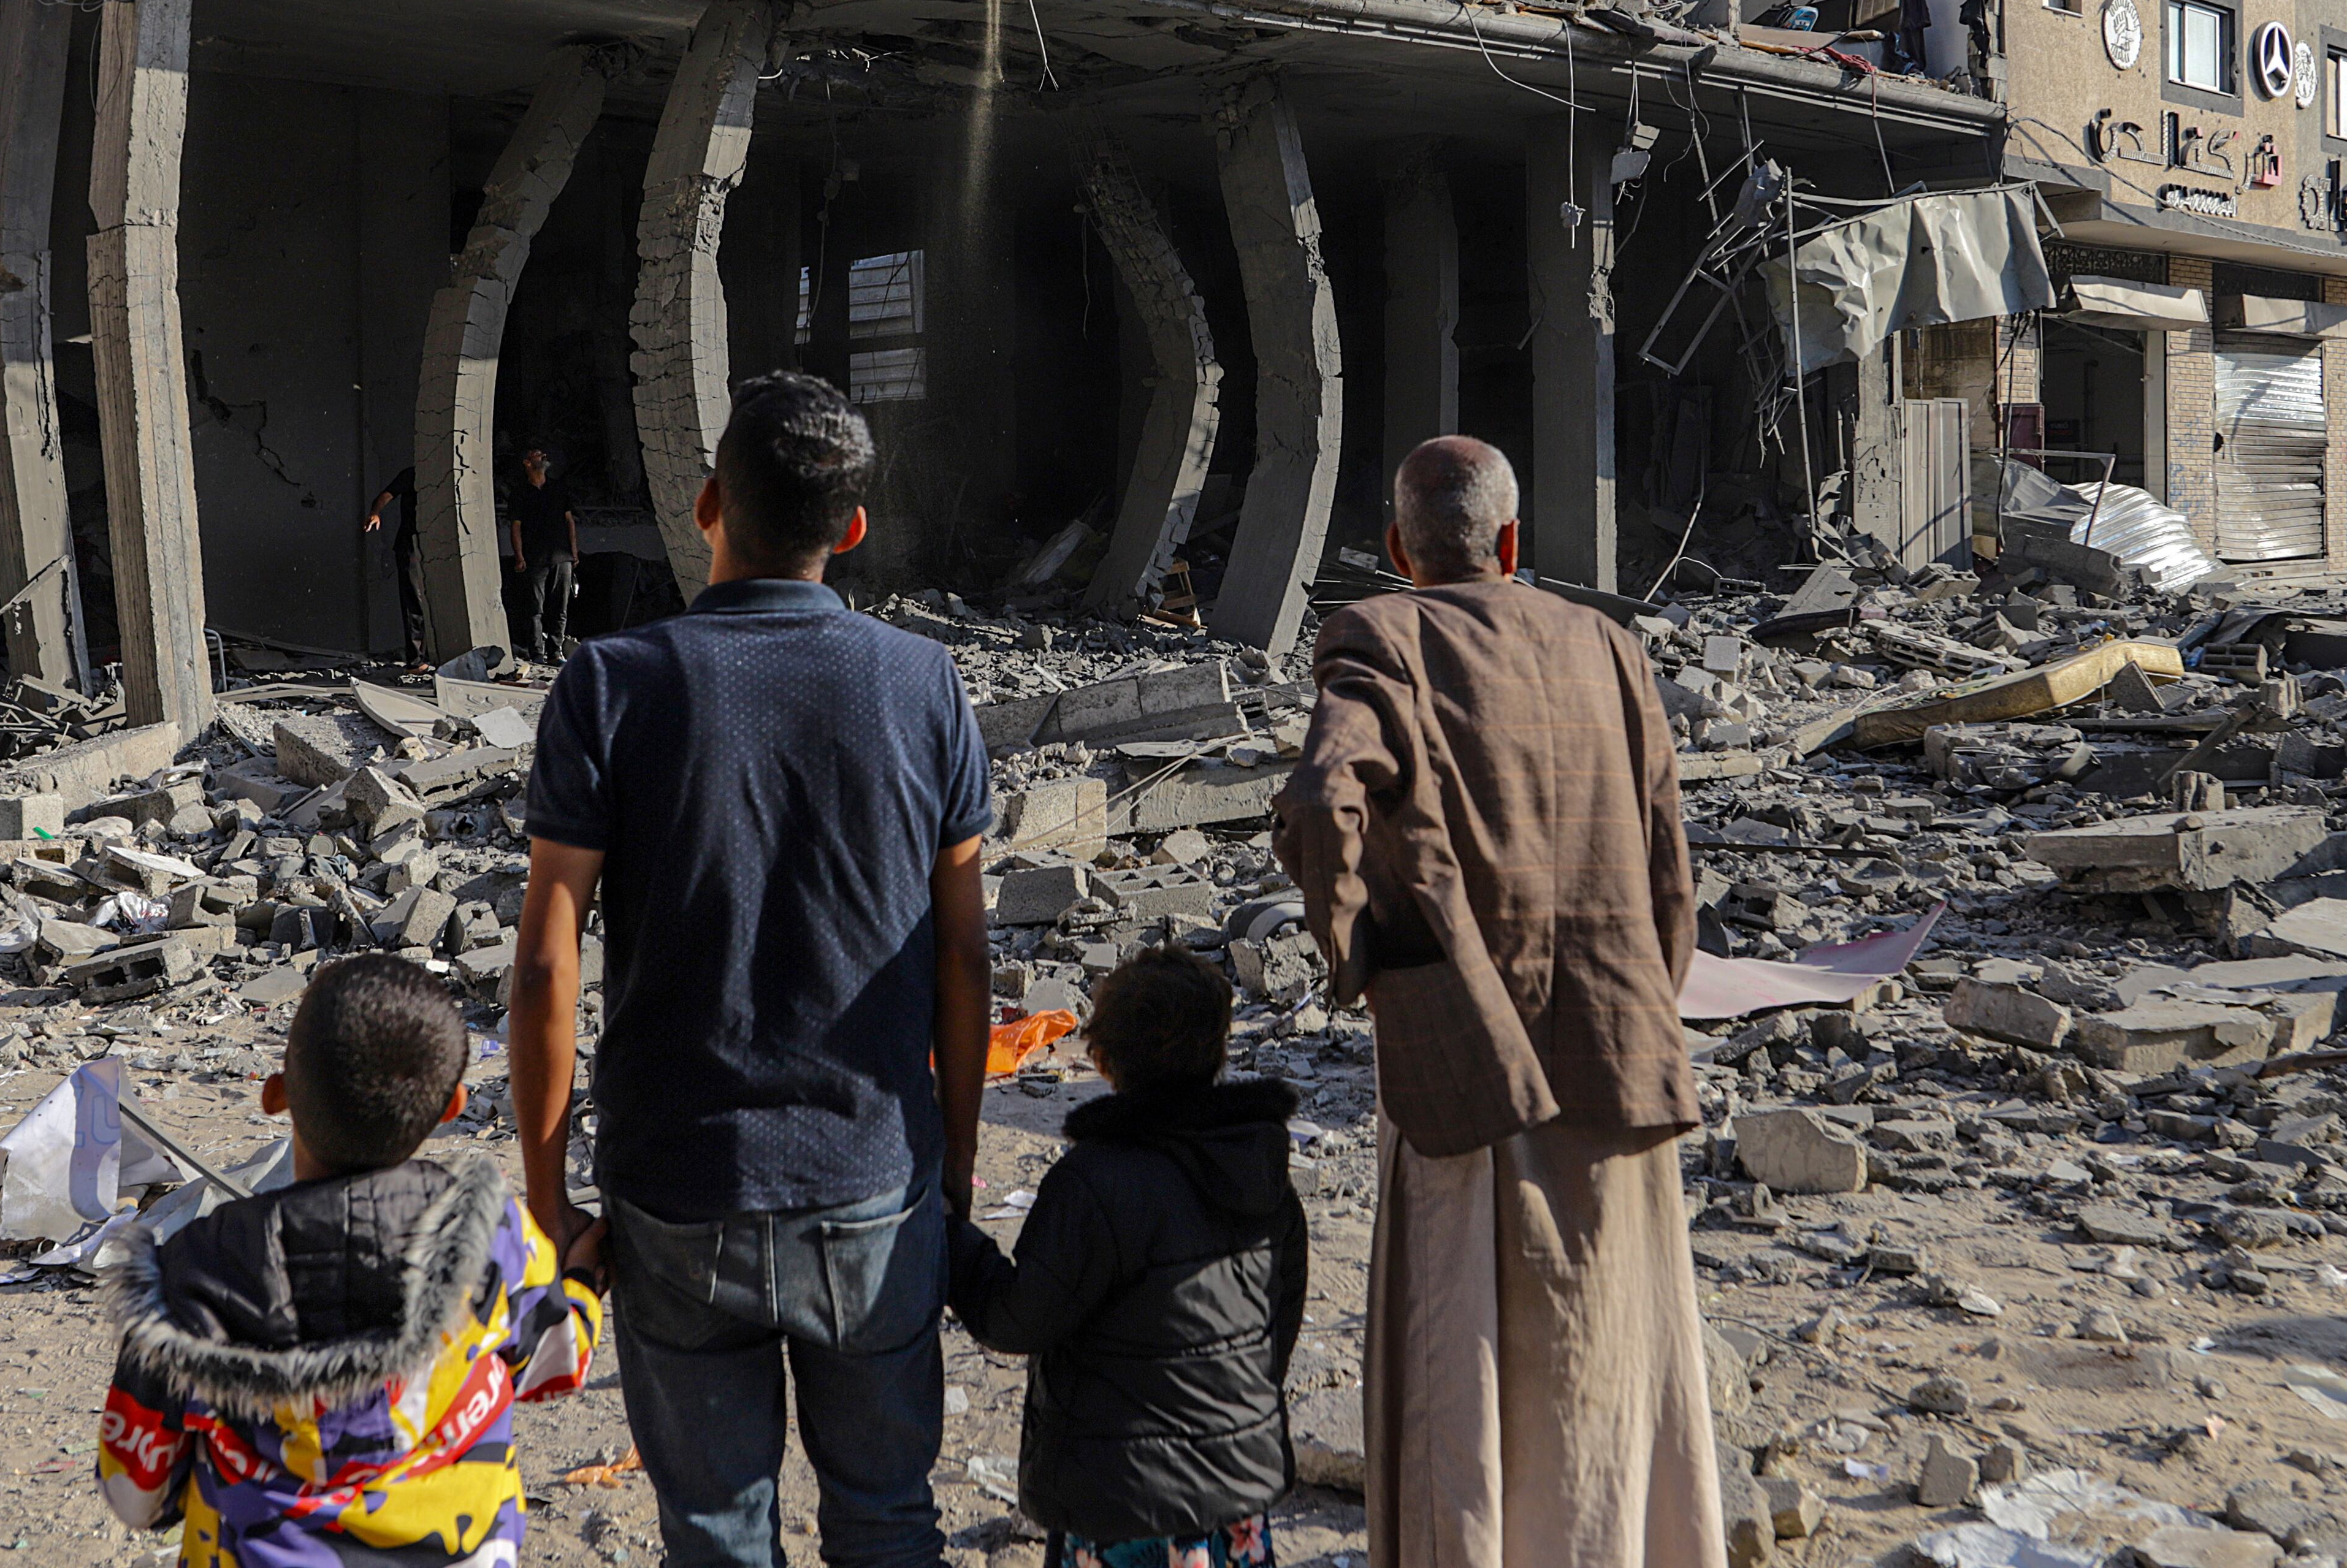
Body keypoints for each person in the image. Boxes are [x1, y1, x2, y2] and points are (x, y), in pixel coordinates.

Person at [512, 370, 993, 1568]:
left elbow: (543, 956)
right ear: (855, 527)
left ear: (708, 500)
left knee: (715, 1536)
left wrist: (544, 1183)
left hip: (678, 1185)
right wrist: (959, 1163)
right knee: (887, 1517)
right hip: (871, 1179)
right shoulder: (923, 684)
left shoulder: (611, 683)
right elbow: (965, 951)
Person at [1273, 435, 1724, 1568]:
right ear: (1513, 545)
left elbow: (1325, 799)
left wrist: (1357, 956)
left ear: (1396, 548)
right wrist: (1644, 995)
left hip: (1465, 1057)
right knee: (1611, 1359)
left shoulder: (1382, 632)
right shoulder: (1610, 646)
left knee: (1464, 1366)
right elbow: (1674, 865)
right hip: (1620, 1047)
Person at [94, 957, 603, 1566]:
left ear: (276, 1094)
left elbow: (134, 1493)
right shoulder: (494, 1239)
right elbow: (553, 1364)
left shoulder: (191, 1274)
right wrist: (584, 1282)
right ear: (453, 1107)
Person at [947, 947, 1307, 1568]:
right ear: (1219, 1050)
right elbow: (1278, 1328)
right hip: (1234, 1496)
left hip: (1118, 1500)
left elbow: (1017, 1319)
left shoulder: (1093, 1181)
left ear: (1103, 1061)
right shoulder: (1263, 1173)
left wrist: (953, 1240)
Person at [508, 448, 580, 664]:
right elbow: (515, 526)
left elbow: (569, 521)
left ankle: (555, 652)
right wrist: (519, 556)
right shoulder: (520, 493)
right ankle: (537, 653)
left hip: (561, 556)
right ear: (528, 463)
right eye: (538, 455)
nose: (544, 457)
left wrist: (573, 552)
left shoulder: (558, 488)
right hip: (535, 557)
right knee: (534, 608)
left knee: (560, 607)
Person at [362, 463, 432, 667]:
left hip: (434, 545)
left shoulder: (445, 476)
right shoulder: (413, 474)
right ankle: (418, 660)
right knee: (414, 603)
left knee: (430, 603)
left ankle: (431, 655)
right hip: (409, 545)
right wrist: (375, 512)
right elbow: (385, 495)